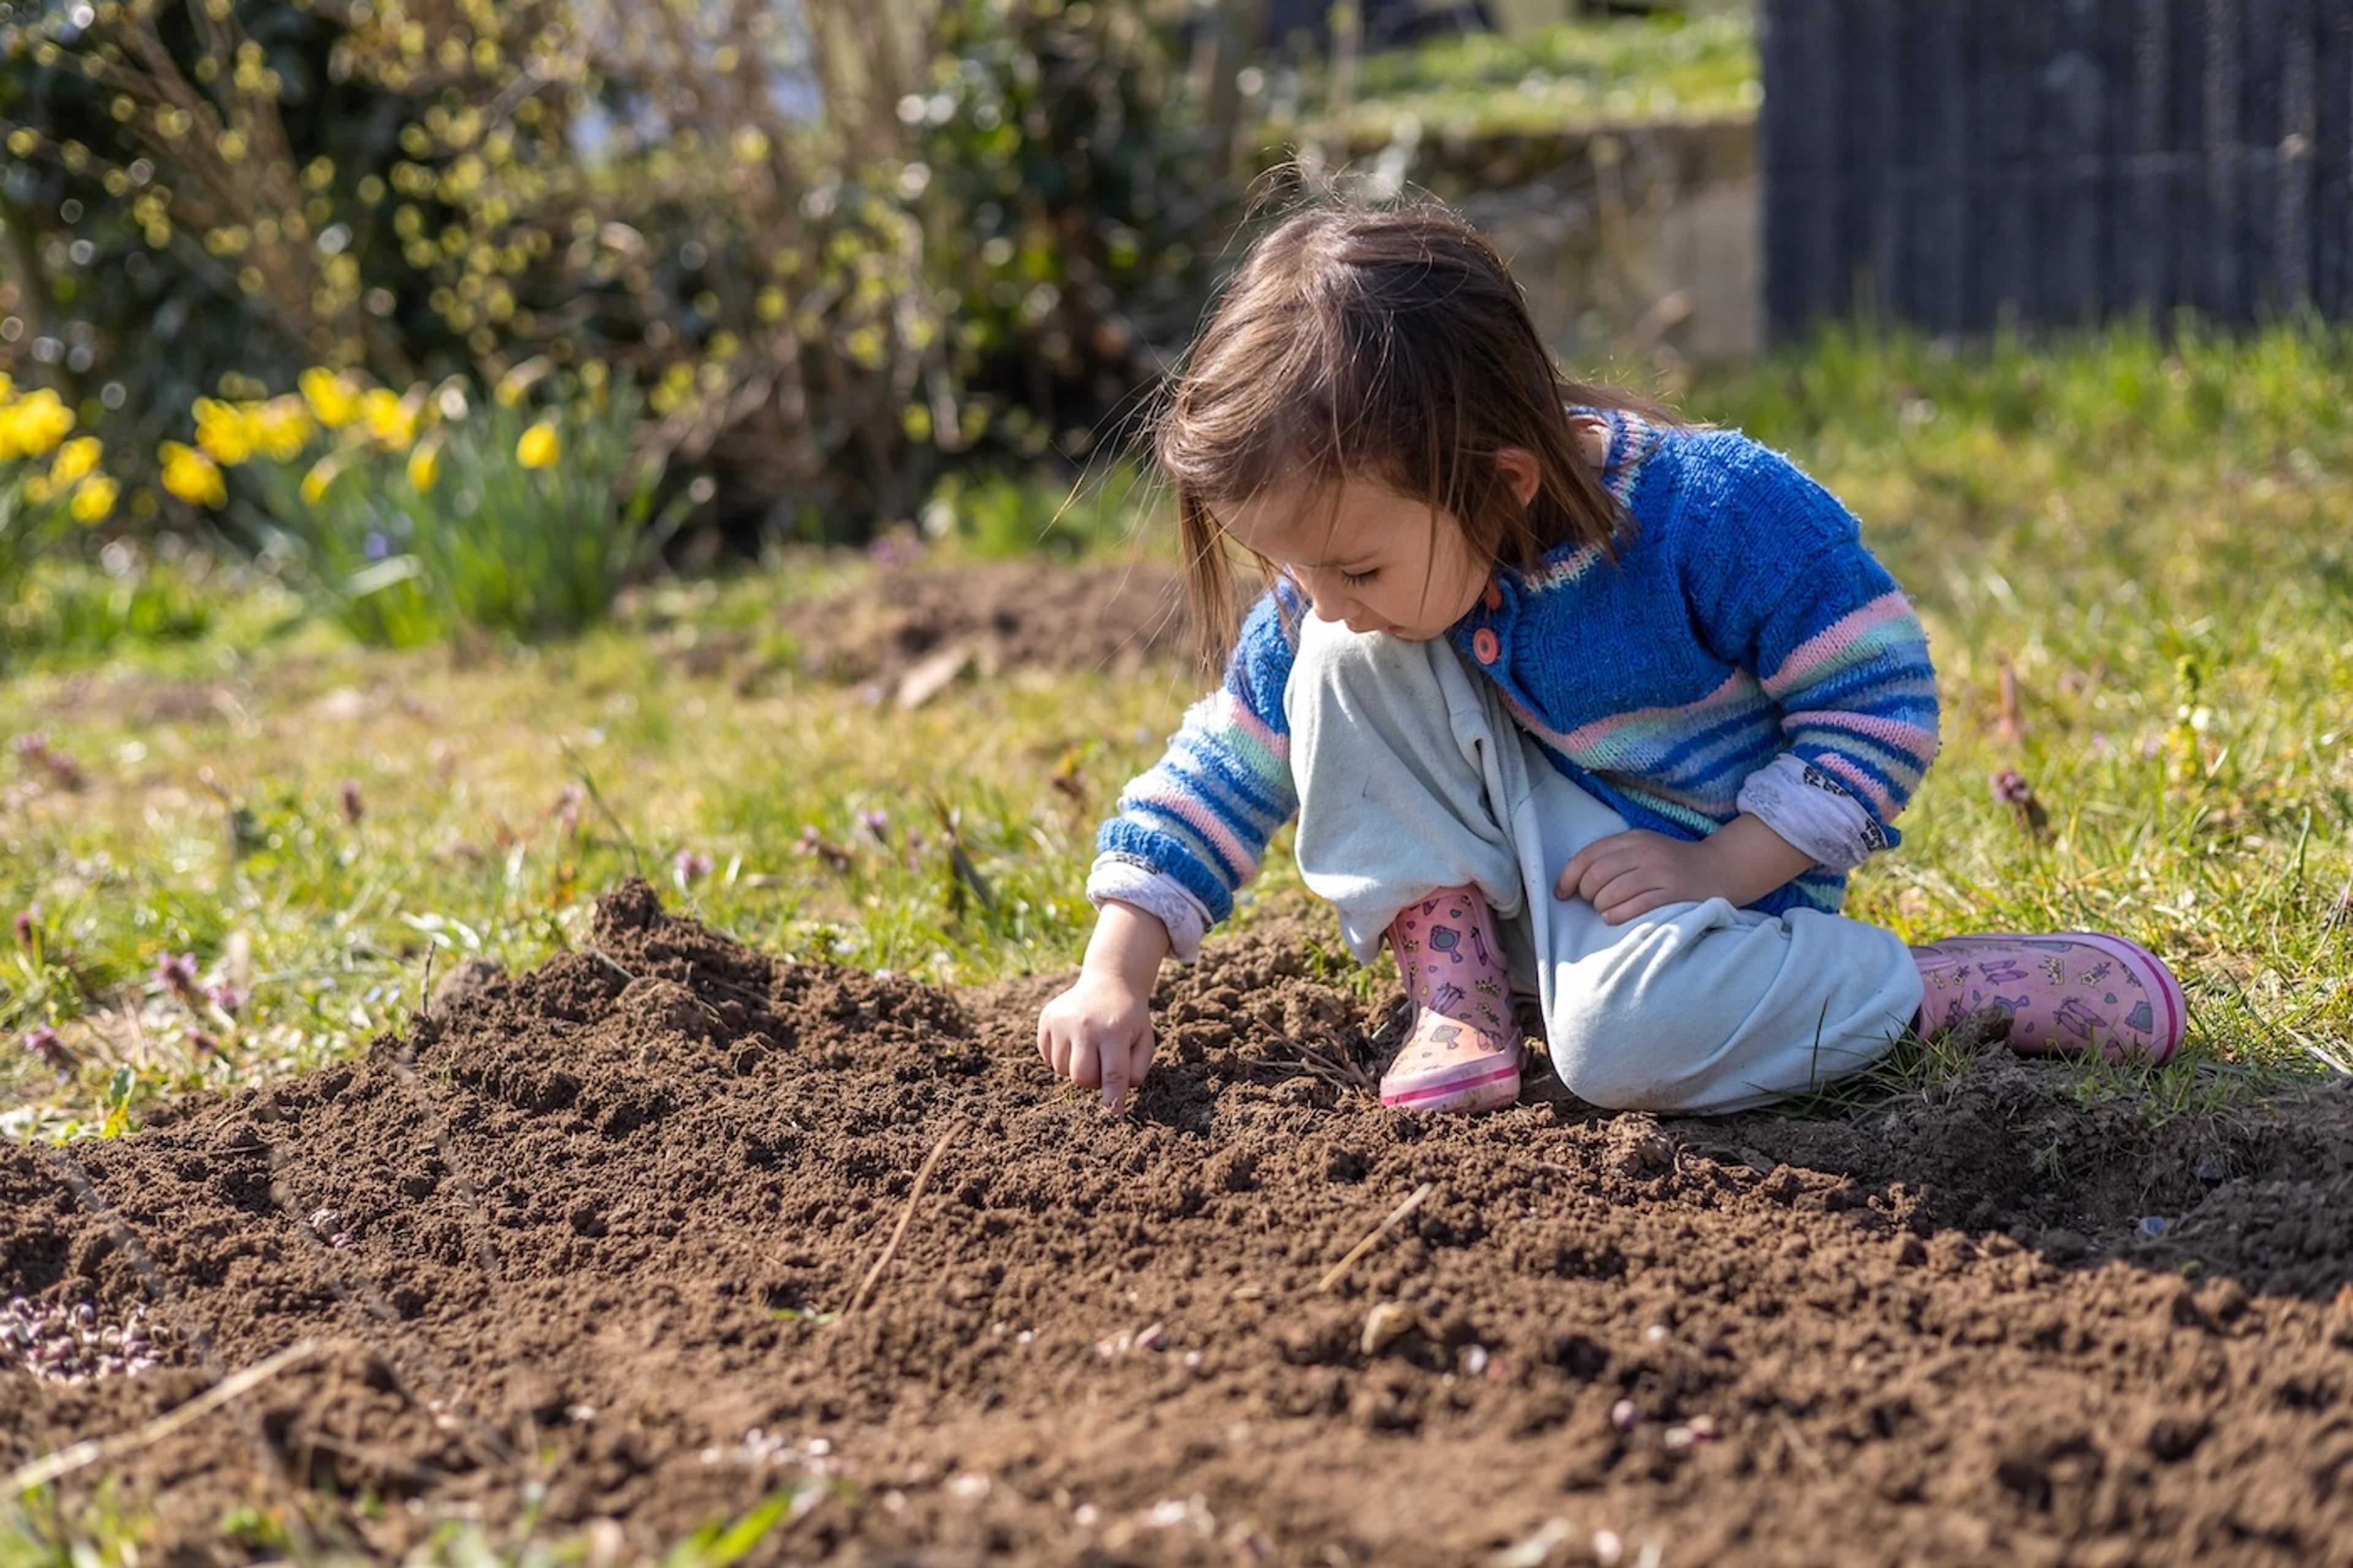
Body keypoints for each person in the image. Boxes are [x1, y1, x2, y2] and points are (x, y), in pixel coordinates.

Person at [1036, 198, 2186, 1117]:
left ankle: (1949, 991)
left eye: (1360, 571)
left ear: (1501, 481)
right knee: (1334, 666)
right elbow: (1221, 767)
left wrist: (1719, 869)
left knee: (1621, 1052)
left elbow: (1879, 702)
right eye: (1301, 572)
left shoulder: (1713, 512)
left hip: (1716, 913)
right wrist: (1112, 974)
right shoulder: (1337, 600)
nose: (1323, 601)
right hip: (1545, 902)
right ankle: (1462, 994)